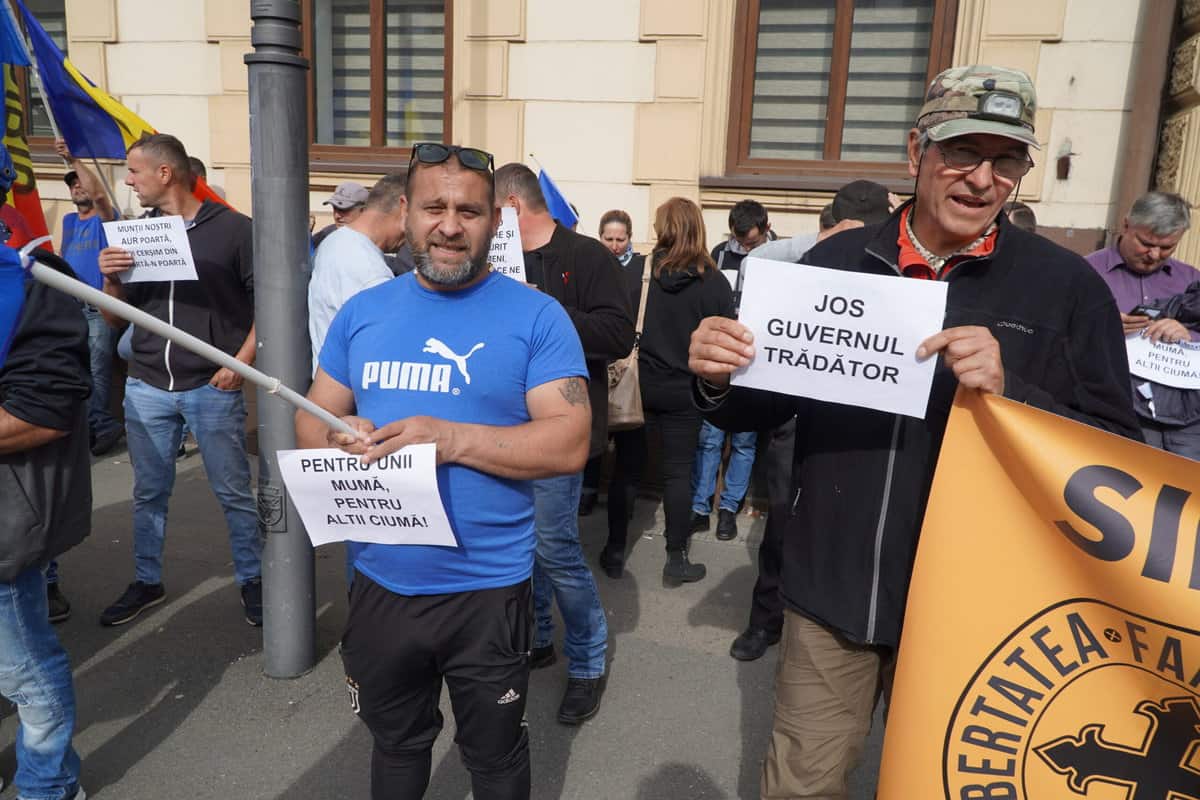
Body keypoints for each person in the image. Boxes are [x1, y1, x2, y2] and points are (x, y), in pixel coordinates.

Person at [688, 65, 1140, 798]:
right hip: (834, 596)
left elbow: (1117, 457)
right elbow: (760, 407)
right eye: (962, 152)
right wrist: (716, 374)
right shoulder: (834, 264)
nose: (982, 178)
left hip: (982, 611)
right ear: (915, 153)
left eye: (1007, 160)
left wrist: (1011, 393)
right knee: (801, 786)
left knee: (944, 788)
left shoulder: (1066, 289)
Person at [296, 142, 590, 800]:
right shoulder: (365, 311)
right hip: (380, 580)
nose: (450, 225)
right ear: (406, 210)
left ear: (495, 220)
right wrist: (340, 438)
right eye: (434, 207)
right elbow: (311, 417)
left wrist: (451, 440)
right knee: (395, 743)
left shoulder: (536, 316)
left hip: (488, 590)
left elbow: (569, 443)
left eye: (469, 211)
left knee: (494, 756)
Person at [96, 133, 262, 627]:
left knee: (232, 490)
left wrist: (239, 365)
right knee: (149, 492)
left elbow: (269, 308)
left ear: (164, 174)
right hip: (146, 385)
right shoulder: (133, 233)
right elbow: (114, 324)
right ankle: (147, 580)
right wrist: (109, 280)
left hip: (211, 386)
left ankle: (252, 580)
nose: (129, 180)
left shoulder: (235, 230)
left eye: (134, 171)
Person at [727, 177, 896, 661]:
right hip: (797, 419)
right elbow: (756, 268)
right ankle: (766, 620)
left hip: (868, 422)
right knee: (782, 521)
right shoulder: (801, 259)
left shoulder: (901, 273)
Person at [494, 162, 634, 724]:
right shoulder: (493, 262)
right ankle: (538, 640)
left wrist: (545, 310)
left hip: (558, 430)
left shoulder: (587, 256)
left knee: (555, 549)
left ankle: (587, 663)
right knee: (520, 549)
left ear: (511, 207)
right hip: (501, 429)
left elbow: (618, 335)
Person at [0, 245, 92, 800]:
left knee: (25, 670)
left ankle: (50, 784)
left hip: (5, 525)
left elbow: (42, 410)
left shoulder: (31, 284)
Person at [603, 197, 734, 582]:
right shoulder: (714, 282)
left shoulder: (639, 272)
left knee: (627, 470)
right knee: (679, 475)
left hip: (639, 387)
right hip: (685, 391)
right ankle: (676, 560)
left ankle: (614, 551)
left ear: (663, 229)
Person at [1086, 191, 1200, 459]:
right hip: (1117, 412)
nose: (1154, 254)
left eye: (1167, 247)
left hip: (1187, 419)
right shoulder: (1085, 272)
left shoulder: (1192, 280)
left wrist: (1190, 336)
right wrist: (1104, 326)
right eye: (1146, 243)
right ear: (1126, 225)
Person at [57, 140, 123, 459]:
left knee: (97, 369)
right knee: (76, 368)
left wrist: (74, 159)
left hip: (99, 308)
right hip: (72, 308)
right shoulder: (70, 222)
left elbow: (99, 196)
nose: (77, 188)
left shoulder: (105, 218)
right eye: (72, 184)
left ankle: (103, 425)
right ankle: (88, 424)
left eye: (80, 181)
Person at [579, 208, 645, 517]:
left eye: (621, 239)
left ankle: (622, 502)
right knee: (594, 428)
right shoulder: (590, 265)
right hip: (596, 358)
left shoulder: (640, 269)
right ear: (600, 237)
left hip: (626, 358)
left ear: (629, 238)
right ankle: (588, 490)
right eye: (609, 238)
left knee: (625, 430)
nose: (615, 245)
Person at [308, 173, 407, 372]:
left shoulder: (334, 241)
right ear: (404, 208)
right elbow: (383, 352)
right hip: (354, 394)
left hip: (331, 385)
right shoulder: (371, 272)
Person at [711, 199, 773, 276]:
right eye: (739, 242)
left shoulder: (781, 255)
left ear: (767, 228)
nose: (747, 249)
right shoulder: (719, 253)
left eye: (753, 243)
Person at [313, 181, 369, 250]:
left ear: (363, 211)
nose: (337, 216)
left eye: (344, 209)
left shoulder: (378, 239)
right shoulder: (325, 235)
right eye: (335, 208)